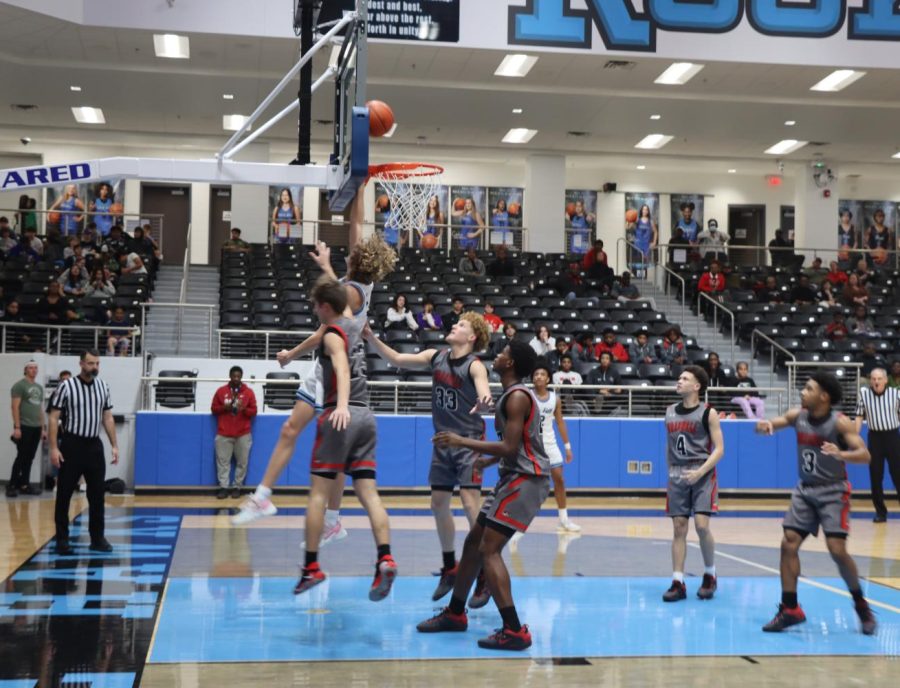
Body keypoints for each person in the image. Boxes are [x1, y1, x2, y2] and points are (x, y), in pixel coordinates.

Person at [233, 187, 396, 534]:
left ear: (358, 261)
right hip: (323, 366)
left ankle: (276, 501)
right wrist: (361, 185)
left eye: (355, 252)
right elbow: (356, 222)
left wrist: (325, 268)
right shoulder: (354, 281)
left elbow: (334, 320)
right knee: (297, 433)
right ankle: (289, 505)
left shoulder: (352, 292)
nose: (352, 249)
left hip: (338, 374)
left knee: (310, 441)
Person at [418, 340, 550, 651]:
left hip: (526, 480)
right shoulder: (510, 395)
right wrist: (490, 461)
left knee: (489, 549)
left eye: (504, 352)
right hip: (513, 476)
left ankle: (514, 630)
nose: (498, 354)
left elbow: (509, 448)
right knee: (472, 543)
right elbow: (516, 447)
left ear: (511, 364)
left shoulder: (517, 397)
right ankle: (455, 613)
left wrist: (461, 441)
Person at [364, 312, 493, 601]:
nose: (454, 325)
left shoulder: (474, 366)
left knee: (471, 503)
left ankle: (484, 570)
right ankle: (450, 567)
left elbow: (483, 388)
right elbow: (397, 359)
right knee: (438, 504)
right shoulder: (436, 356)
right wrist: (371, 337)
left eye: (461, 325)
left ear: (471, 337)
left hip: (469, 442)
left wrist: (485, 399)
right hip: (443, 442)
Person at [292, 277, 398, 602]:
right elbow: (346, 295)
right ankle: (385, 557)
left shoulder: (334, 334)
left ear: (326, 307)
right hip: (367, 416)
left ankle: (311, 567)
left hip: (342, 415)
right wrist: (325, 267)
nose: (313, 310)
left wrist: (339, 406)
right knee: (369, 493)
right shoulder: (354, 323)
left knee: (317, 496)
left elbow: (340, 366)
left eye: (315, 305)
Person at [755, 372, 876, 635]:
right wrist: (764, 426)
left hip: (833, 491)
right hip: (805, 490)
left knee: (836, 550)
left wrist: (841, 453)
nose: (802, 392)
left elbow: (864, 454)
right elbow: (771, 423)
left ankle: (861, 604)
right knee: (788, 542)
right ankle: (790, 609)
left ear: (824, 396)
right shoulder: (797, 416)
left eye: (808, 389)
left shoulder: (840, 422)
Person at [662, 366, 724, 602]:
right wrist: (670, 471)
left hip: (702, 472)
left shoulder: (709, 413)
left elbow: (719, 449)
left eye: (685, 378)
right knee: (679, 527)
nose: (679, 381)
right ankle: (678, 581)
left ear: (697, 386)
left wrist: (700, 472)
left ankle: (710, 574)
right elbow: (669, 446)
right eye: (679, 377)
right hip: (677, 476)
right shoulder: (669, 412)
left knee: (701, 525)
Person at [50, 349, 119, 555]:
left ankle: (97, 538)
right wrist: (54, 448)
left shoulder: (103, 386)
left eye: (97, 363)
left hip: (93, 445)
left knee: (97, 494)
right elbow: (54, 417)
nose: (94, 367)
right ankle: (62, 539)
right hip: (72, 444)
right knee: (64, 493)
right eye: (90, 363)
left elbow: (107, 417)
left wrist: (114, 445)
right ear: (81, 364)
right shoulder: (66, 386)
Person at [532, 360, 580, 532]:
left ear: (548, 379)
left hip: (550, 445)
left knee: (559, 479)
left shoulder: (555, 399)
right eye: (536, 374)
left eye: (542, 374)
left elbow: (560, 423)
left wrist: (567, 446)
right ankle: (517, 523)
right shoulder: (527, 396)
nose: (538, 376)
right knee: (527, 485)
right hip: (532, 445)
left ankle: (563, 519)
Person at [855, 368, 900, 523]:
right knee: (875, 477)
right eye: (873, 378)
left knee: (898, 475)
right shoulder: (864, 394)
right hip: (875, 438)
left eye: (879, 378)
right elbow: (859, 415)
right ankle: (881, 512)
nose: (876, 381)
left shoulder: (896, 394)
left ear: (886, 380)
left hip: (893, 437)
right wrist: (854, 436)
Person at [211, 366, 258, 499]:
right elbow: (213, 409)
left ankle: (237, 487)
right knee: (223, 462)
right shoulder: (221, 391)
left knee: (242, 462)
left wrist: (244, 409)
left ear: (241, 377)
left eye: (238, 376)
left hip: (243, 434)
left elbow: (254, 411)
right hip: (224, 433)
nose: (236, 379)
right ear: (230, 376)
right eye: (234, 376)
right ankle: (223, 488)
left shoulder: (248, 392)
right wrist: (223, 408)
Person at [7, 361, 46, 497]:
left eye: (36, 368)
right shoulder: (19, 386)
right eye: (31, 368)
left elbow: (40, 410)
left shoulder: (39, 388)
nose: (34, 370)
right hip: (23, 426)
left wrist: (43, 428)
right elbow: (14, 407)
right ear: (25, 370)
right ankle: (11, 485)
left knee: (30, 457)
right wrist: (17, 427)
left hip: (36, 427)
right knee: (21, 457)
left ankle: (24, 485)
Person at [631, 204, 657, 271]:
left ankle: (645, 279)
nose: (645, 211)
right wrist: (630, 221)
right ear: (641, 211)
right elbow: (629, 227)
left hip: (646, 246)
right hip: (638, 245)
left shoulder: (650, 221)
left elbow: (655, 232)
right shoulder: (637, 220)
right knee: (637, 264)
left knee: (646, 265)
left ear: (648, 211)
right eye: (643, 209)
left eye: (646, 209)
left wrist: (654, 242)